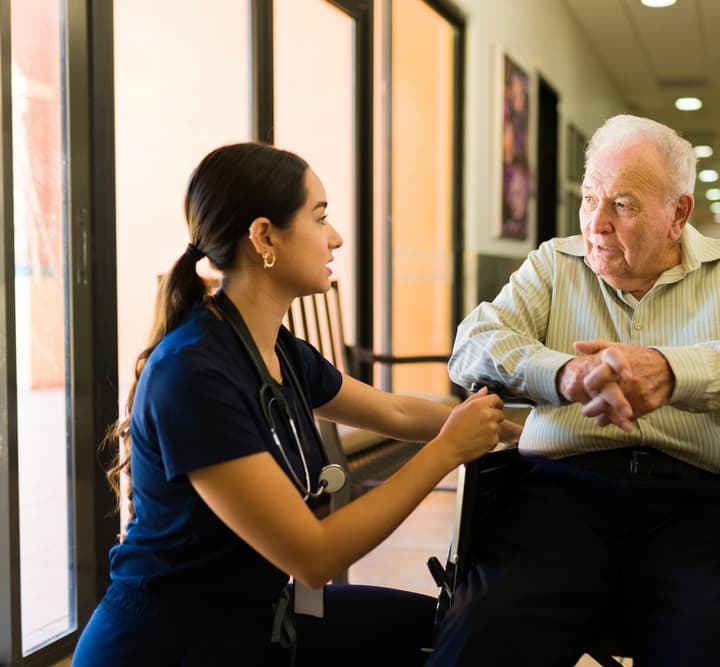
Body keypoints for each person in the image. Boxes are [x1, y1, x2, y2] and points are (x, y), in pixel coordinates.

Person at [73, 142, 520, 666]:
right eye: (320, 217)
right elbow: (314, 556)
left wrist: (516, 427)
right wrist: (446, 452)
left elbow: (395, 413)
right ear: (264, 236)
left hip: (256, 619)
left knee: (456, 634)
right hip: (171, 645)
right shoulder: (192, 375)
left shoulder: (277, 348)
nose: (336, 237)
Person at [431, 115, 720, 666]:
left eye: (624, 205)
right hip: (559, 496)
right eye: (590, 198)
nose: (598, 222)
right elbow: (473, 344)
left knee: (701, 641)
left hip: (697, 507)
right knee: (485, 627)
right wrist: (562, 374)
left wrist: (673, 370)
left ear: (677, 214)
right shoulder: (553, 264)